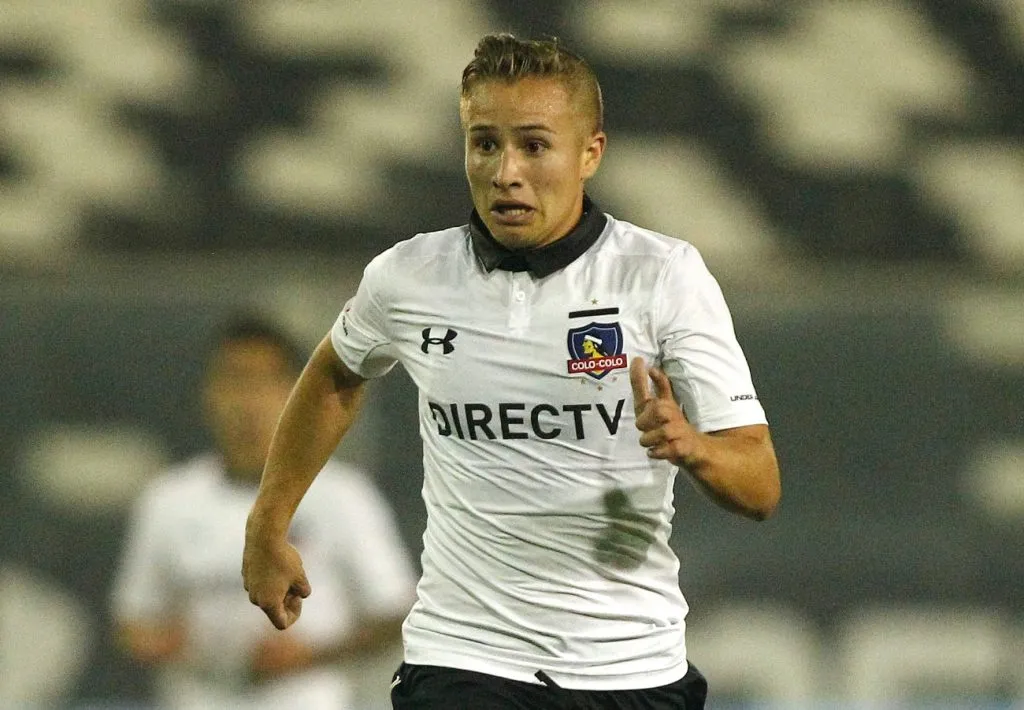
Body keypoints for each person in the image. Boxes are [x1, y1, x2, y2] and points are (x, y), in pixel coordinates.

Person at [243, 33, 781, 710]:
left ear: (590, 153)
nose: (505, 172)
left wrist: (693, 447)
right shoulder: (408, 277)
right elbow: (334, 375)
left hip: (628, 665)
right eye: (485, 143)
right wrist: (268, 522)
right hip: (463, 657)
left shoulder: (661, 276)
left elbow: (760, 484)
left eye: (533, 145)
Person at [112, 314, 417, 710]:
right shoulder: (168, 499)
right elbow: (133, 620)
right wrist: (175, 644)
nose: (247, 402)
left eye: (263, 381)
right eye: (234, 380)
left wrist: (310, 654)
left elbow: (394, 614)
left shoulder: (343, 495)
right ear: (209, 393)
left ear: (294, 392)